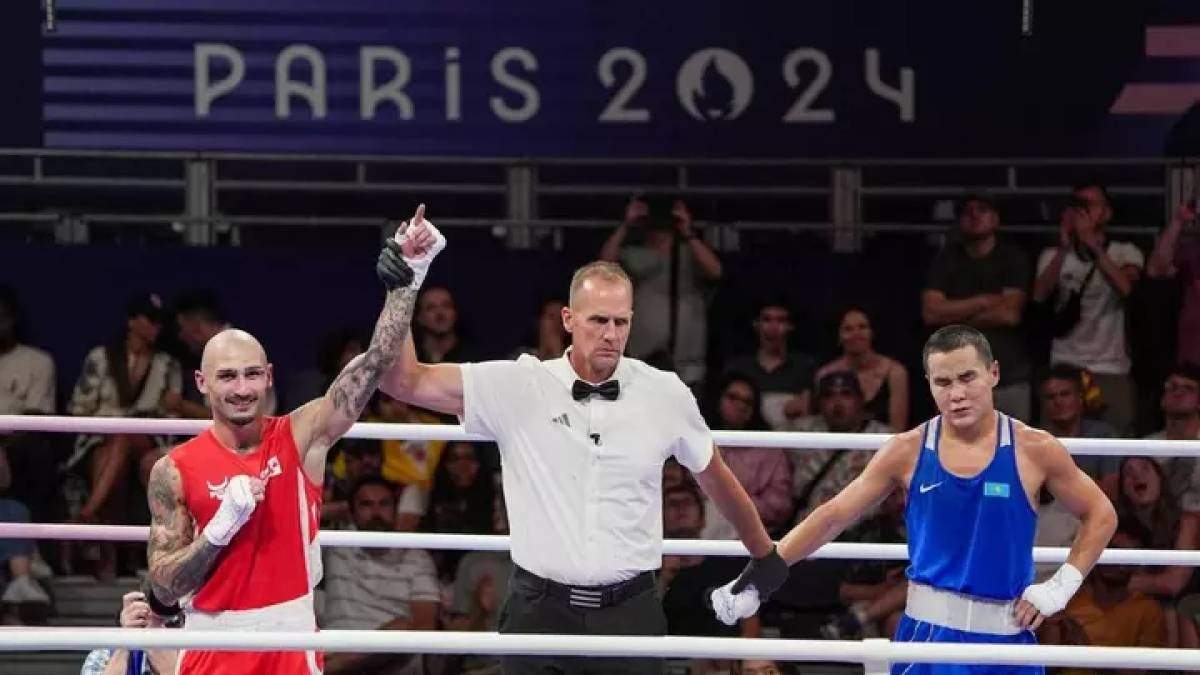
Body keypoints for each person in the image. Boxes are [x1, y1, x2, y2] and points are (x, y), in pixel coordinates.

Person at [377, 255, 786, 675]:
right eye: (598, 321)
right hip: (538, 611)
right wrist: (401, 292)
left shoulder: (665, 393)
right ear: (568, 320)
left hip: (631, 612)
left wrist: (765, 555)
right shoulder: (519, 384)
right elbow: (403, 381)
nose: (611, 334)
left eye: (621, 322)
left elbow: (716, 478)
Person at [712, 324, 1117, 675]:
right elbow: (833, 515)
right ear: (929, 384)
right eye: (943, 382)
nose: (957, 394)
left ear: (993, 373)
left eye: (967, 377)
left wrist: (1061, 586)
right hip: (928, 637)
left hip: (1009, 638)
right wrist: (763, 575)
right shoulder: (907, 450)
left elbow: (1101, 513)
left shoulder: (1035, 449)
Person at [144, 205, 440, 675]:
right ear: (202, 383)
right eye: (227, 376)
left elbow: (374, 365)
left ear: (269, 376)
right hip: (209, 639)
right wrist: (218, 532)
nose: (242, 388)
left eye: (251, 374)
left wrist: (406, 284)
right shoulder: (173, 469)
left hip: (291, 634)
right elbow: (163, 588)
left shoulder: (301, 435)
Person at [80, 582, 181, 675]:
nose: (162, 625)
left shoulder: (189, 649)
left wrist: (169, 669)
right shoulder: (104, 655)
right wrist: (126, 642)